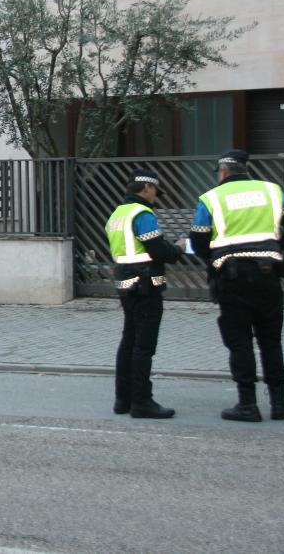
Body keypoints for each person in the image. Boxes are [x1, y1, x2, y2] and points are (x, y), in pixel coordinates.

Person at [190, 149, 284, 422]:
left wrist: (214, 259)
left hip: (231, 278)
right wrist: (277, 249)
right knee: (271, 341)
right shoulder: (272, 191)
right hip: (268, 275)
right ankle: (279, 405)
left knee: (239, 342)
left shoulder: (211, 198)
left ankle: (247, 405)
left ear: (223, 172)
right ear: (245, 169)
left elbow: (198, 239)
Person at [107, 169, 184, 419]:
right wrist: (178, 249)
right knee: (144, 346)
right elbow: (158, 250)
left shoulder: (117, 214)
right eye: (155, 192)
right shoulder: (142, 214)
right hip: (146, 284)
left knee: (128, 341)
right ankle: (142, 402)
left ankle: (123, 400)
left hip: (126, 282)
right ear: (146, 188)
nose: (156, 198)